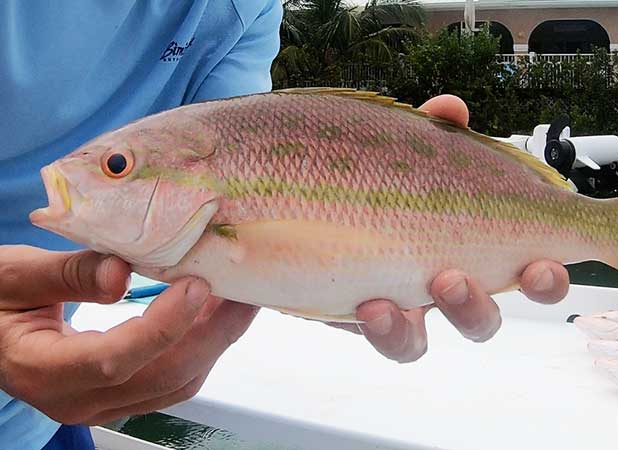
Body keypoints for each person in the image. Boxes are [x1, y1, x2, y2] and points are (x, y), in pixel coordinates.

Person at [0, 2, 570, 449]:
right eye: (116, 168)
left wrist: (347, 279)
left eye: (115, 167)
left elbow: (257, 155)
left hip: (34, 418)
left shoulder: (244, 7)